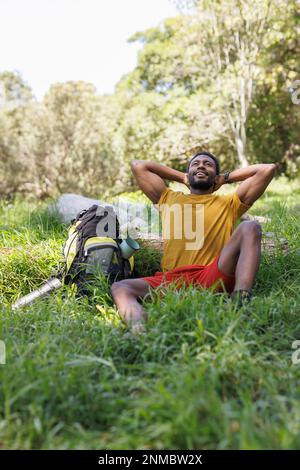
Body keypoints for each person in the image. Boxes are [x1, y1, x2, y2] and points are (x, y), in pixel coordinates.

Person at [111, 151, 276, 334]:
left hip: (212, 274)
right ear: (188, 174)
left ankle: (239, 301)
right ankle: (140, 331)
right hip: (171, 279)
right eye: (195, 164)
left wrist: (226, 178)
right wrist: (182, 177)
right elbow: (138, 165)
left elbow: (267, 169)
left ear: (216, 177)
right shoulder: (167, 199)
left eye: (208, 164)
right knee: (121, 287)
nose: (201, 166)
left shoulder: (230, 203)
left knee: (250, 227)